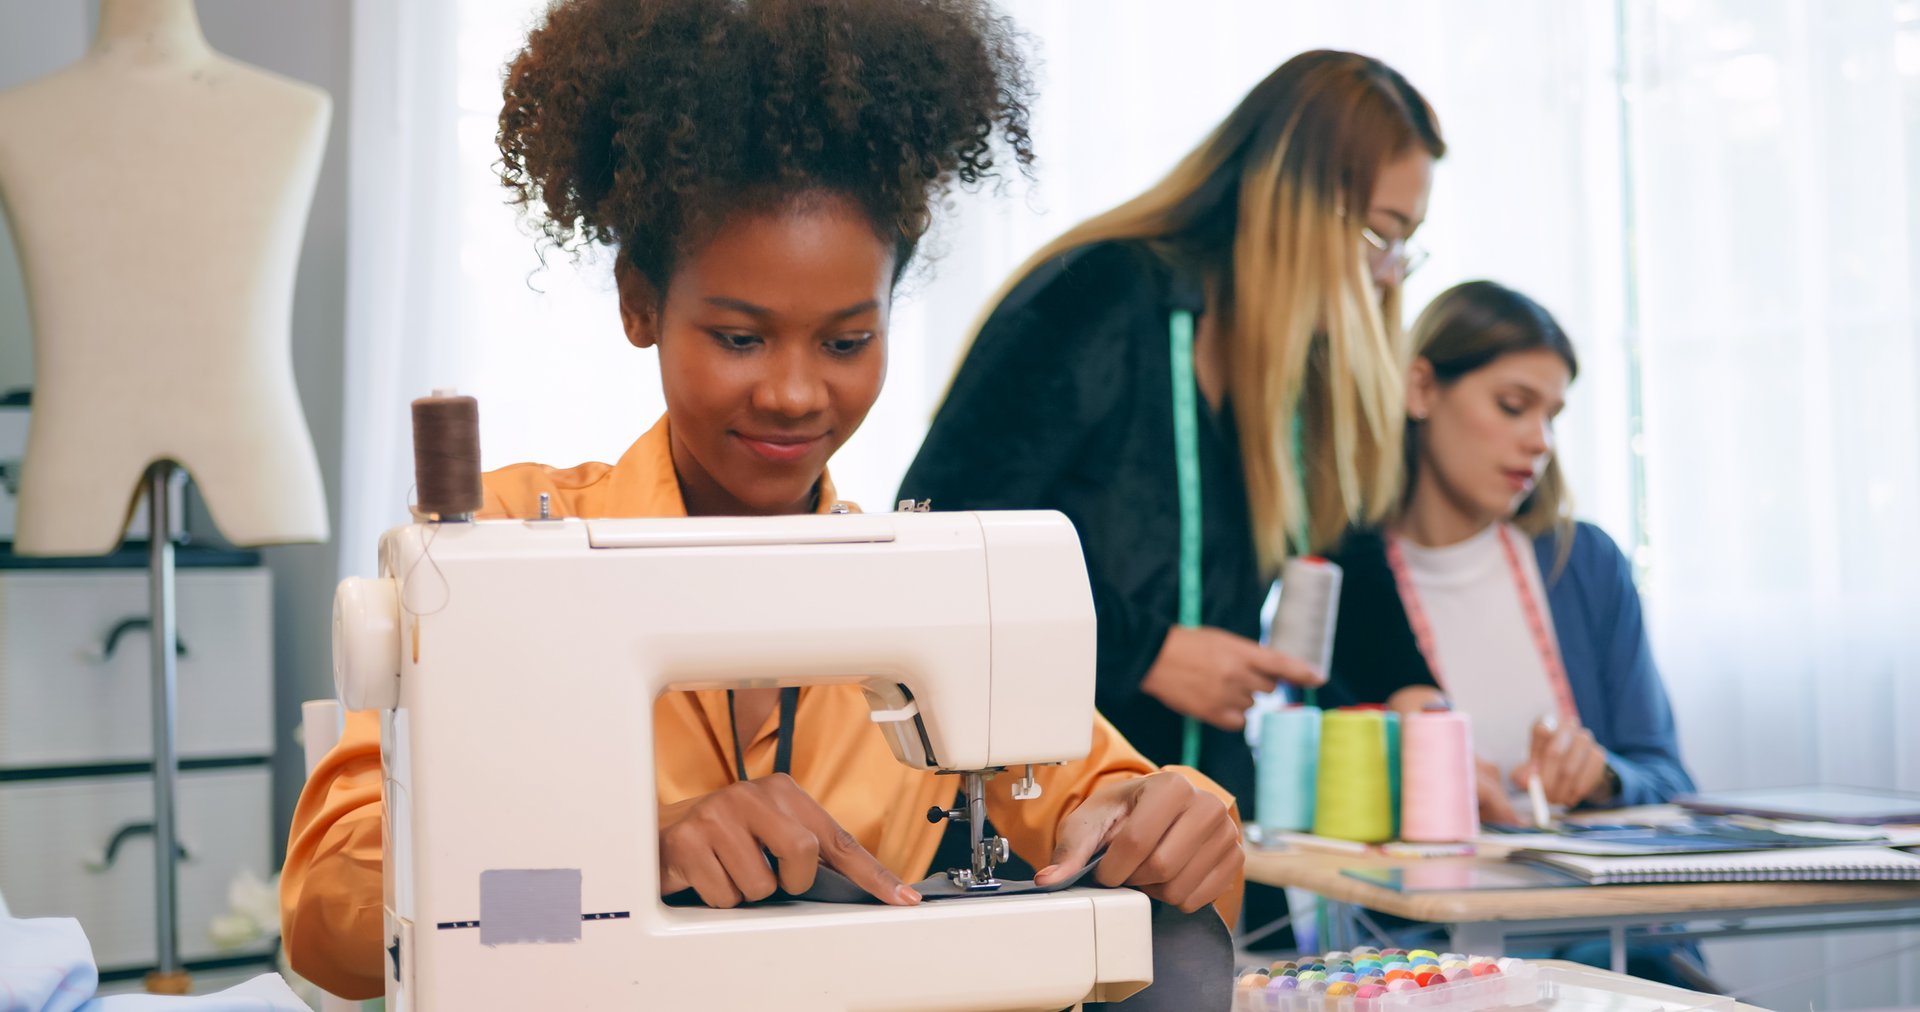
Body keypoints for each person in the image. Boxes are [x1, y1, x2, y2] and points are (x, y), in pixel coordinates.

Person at [281, 0, 1244, 1000]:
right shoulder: (498, 550)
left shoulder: (933, 594)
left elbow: (1110, 802)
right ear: (640, 302)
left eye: (846, 342)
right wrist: (636, 850)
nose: (793, 392)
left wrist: (1159, 814)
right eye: (741, 338)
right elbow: (326, 910)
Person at [899, 51, 1443, 870]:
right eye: (1381, 236)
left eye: (1405, 245)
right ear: (1298, 206)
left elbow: (1345, 549)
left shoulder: (1295, 363)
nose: (1389, 276)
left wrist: (1419, 703)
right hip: (1043, 818)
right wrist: (1145, 650)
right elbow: (944, 534)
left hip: (1202, 823)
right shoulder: (1096, 296)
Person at [1324, 280, 1693, 820]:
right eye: (1513, 406)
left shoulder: (1584, 563)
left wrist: (1605, 776)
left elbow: (1669, 779)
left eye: (1551, 417)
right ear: (1420, 389)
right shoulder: (1342, 587)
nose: (1541, 441)